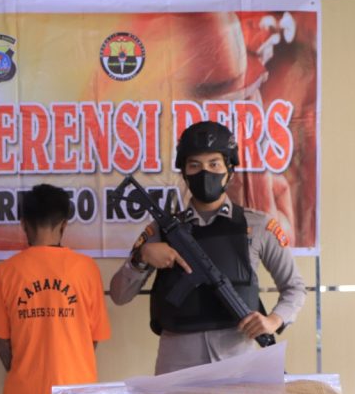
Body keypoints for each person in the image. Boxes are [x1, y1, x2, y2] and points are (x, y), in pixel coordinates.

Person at [109, 120, 305, 375]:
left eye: (214, 164)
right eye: (195, 165)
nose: (205, 173)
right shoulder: (161, 230)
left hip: (237, 360)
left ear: (229, 170)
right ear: (184, 173)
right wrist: (142, 256)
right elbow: (119, 295)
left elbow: (294, 287)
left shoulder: (257, 226)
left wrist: (273, 321)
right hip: (177, 363)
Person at [0, 184, 111, 394]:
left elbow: (1, 343)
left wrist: (26, 374)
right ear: (64, 224)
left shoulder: (4, 272)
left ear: (24, 224)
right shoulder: (87, 269)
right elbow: (93, 339)